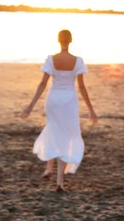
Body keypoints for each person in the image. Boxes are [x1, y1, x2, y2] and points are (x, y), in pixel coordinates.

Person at [21, 29, 98, 191]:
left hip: (54, 99)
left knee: (52, 130)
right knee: (66, 136)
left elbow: (42, 84)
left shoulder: (51, 59)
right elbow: (82, 87)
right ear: (70, 41)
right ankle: (59, 182)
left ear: (58, 41)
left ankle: (49, 167)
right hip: (69, 100)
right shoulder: (78, 61)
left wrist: (30, 106)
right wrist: (91, 110)